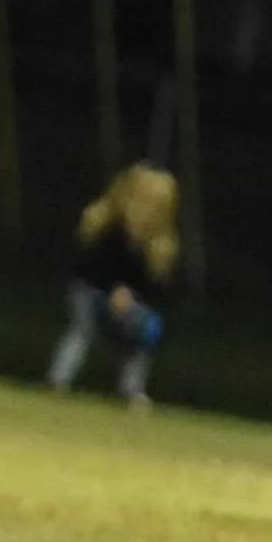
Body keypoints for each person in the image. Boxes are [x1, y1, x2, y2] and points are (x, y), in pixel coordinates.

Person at [44, 162, 179, 408]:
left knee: (142, 337)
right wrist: (113, 289)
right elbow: (91, 268)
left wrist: (134, 302)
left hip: (124, 304)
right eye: (140, 200)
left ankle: (131, 390)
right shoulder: (108, 230)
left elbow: (153, 288)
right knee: (83, 330)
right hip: (89, 292)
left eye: (154, 206)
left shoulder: (157, 247)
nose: (145, 210)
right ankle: (58, 381)